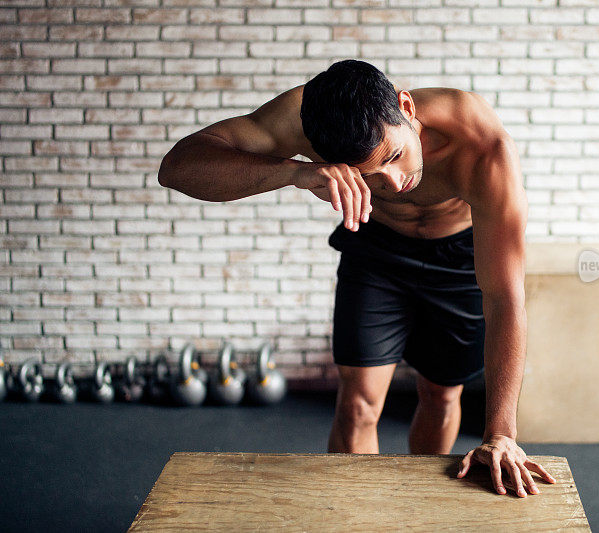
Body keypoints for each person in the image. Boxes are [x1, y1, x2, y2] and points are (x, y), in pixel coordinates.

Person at [157, 59, 556, 497]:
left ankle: (422, 507)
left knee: (441, 395)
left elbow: (505, 299)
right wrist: (293, 172)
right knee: (358, 405)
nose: (394, 181)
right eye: (370, 175)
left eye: (395, 156)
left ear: (406, 107)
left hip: (458, 254)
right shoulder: (304, 119)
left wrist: (501, 434)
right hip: (377, 248)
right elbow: (177, 166)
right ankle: (354, 517)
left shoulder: (482, 146)